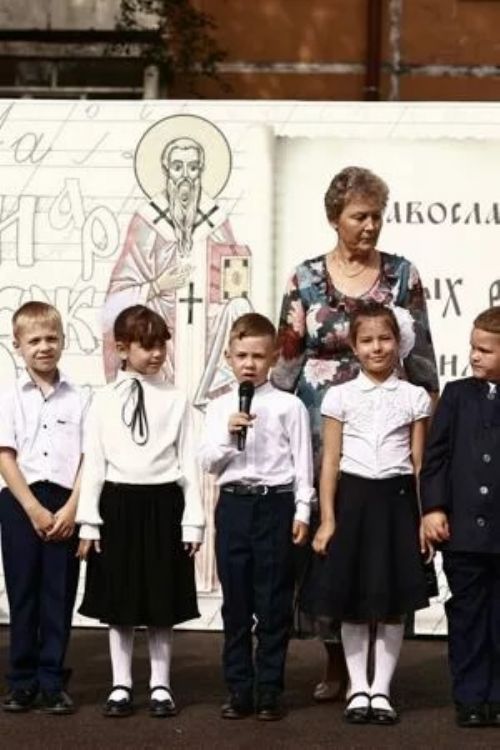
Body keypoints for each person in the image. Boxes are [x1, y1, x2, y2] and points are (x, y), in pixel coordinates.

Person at [272, 165, 439, 701]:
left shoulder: (403, 275)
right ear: (334, 218)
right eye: (359, 216)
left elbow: (422, 359)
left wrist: (430, 428)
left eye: (377, 216)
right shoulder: (304, 278)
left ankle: (379, 675)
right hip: (319, 435)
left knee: (384, 547)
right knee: (331, 549)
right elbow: (286, 361)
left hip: (386, 433)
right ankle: (335, 663)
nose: (370, 226)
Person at [302, 302, 432, 725]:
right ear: (354, 347)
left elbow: (419, 464)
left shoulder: (414, 397)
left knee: (392, 603)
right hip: (353, 502)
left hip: (397, 505)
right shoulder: (340, 395)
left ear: (399, 342)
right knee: (353, 601)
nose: (377, 348)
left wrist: (423, 518)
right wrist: (328, 519)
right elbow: (330, 462)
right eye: (367, 340)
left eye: (385, 339)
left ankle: (382, 690)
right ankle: (358, 688)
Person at [76, 305, 204, 718]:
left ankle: (161, 685)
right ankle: (121, 684)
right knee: (121, 603)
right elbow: (94, 462)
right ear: (121, 349)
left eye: (161, 345)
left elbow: (188, 461)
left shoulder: (177, 398)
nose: (156, 354)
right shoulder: (102, 400)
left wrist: (193, 521)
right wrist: (89, 521)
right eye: (146, 346)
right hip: (117, 506)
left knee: (161, 602)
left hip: (164, 504)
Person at [198, 312, 315, 721]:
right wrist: (229, 435)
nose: (249, 364)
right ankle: (238, 688)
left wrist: (303, 510)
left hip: (275, 505)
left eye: (258, 356)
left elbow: (302, 463)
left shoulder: (289, 405)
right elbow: (207, 461)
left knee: (273, 601)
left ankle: (269, 689)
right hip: (234, 505)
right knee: (236, 603)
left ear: (274, 357)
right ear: (229, 357)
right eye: (242, 356)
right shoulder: (218, 407)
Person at [0, 301, 88, 715]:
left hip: (66, 502)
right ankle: (21, 681)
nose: (44, 347)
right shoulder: (8, 397)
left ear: (63, 341)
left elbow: (89, 457)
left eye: (51, 338)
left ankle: (52, 680)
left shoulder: (81, 398)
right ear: (17, 345)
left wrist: (72, 509)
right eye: (34, 340)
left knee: (58, 593)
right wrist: (33, 508)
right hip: (21, 501)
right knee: (23, 593)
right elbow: (5, 456)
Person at [421, 306, 500, 728]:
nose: (475, 355)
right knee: (468, 617)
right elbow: (435, 459)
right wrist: (434, 508)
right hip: (464, 534)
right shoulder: (456, 395)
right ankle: (469, 697)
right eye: (473, 347)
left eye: (486, 350)